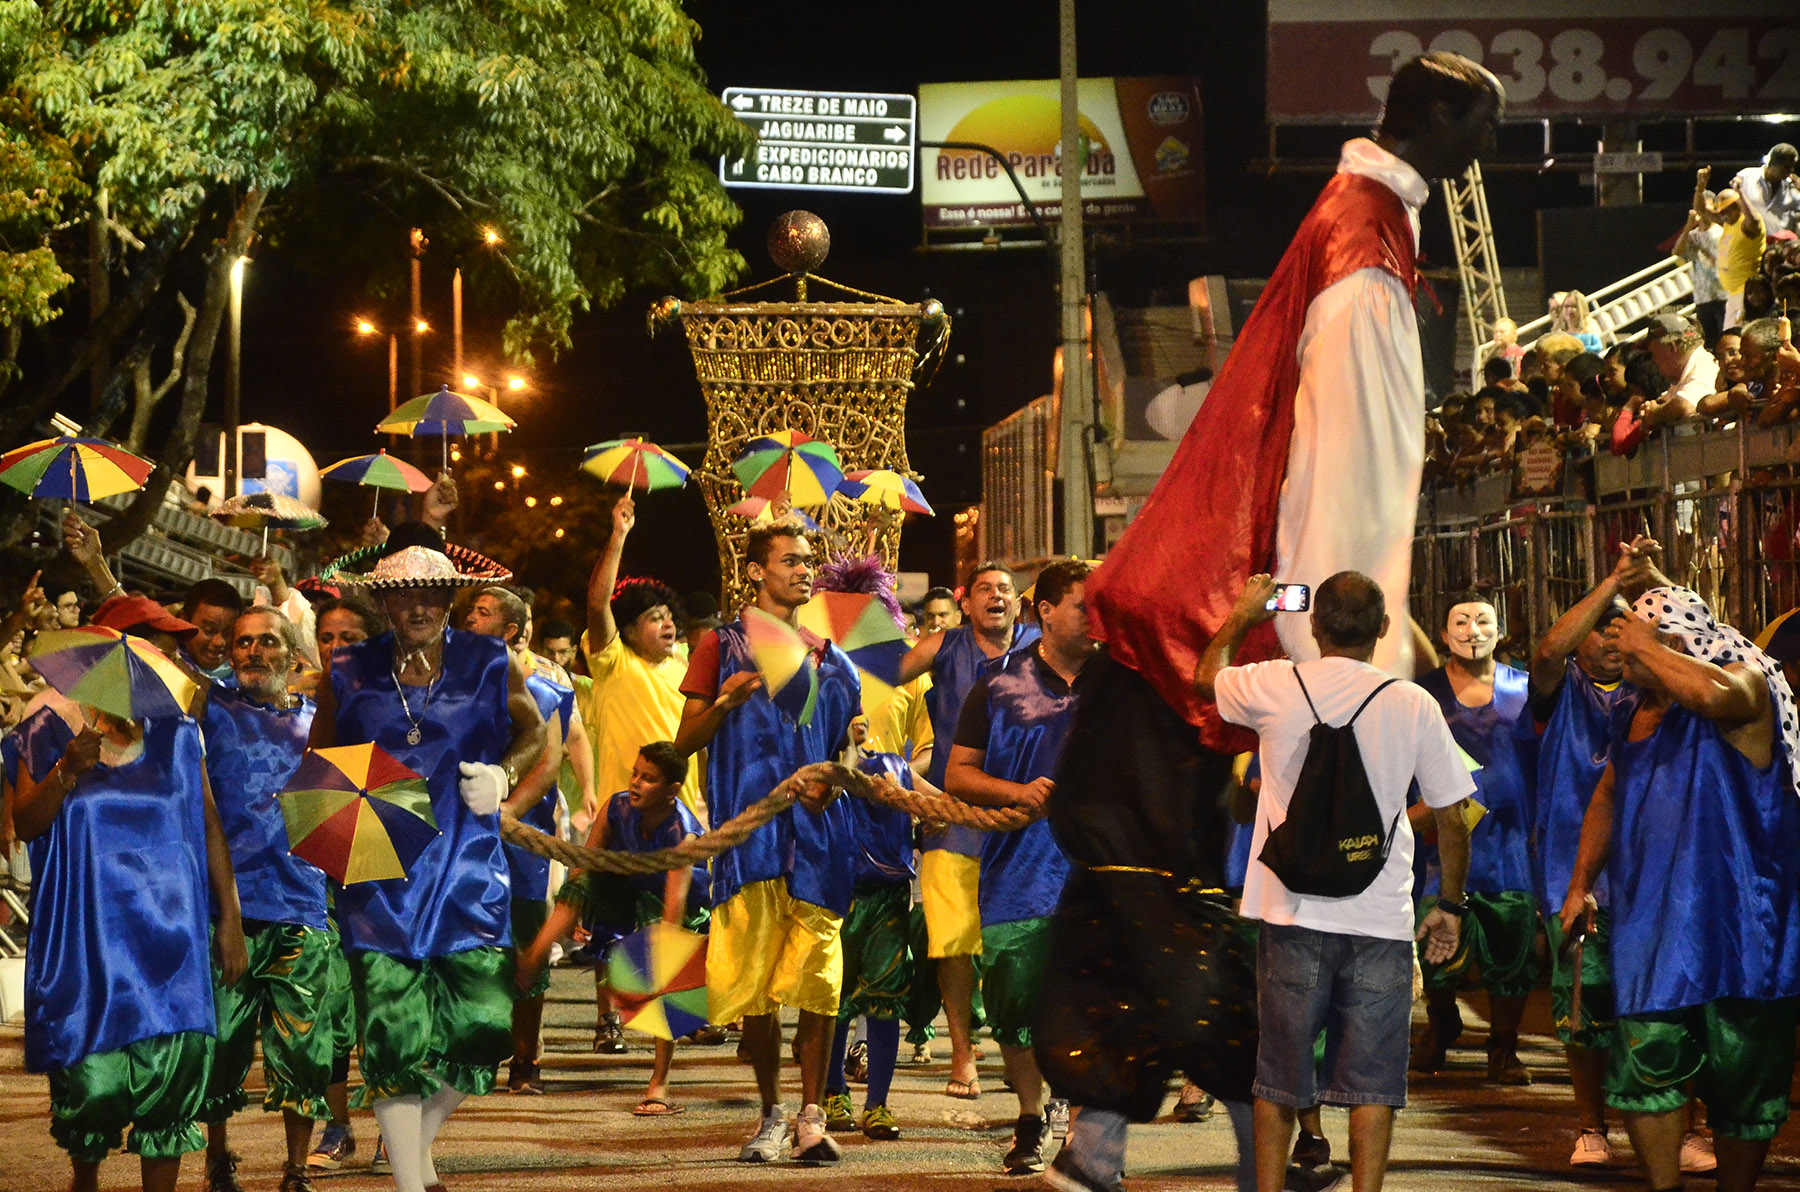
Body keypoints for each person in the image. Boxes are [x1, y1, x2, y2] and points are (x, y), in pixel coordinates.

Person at [1086, 52, 1503, 743]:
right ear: (1438, 116)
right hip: (1334, 682)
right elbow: (1347, 482)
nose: (1491, 146)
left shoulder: (1370, 218)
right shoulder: (1362, 244)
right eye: (1486, 126)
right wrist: (1348, 668)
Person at [1198, 571, 1474, 1192]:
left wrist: (1245, 614)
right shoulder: (1413, 703)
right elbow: (1453, 818)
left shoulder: (1272, 683)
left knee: (1279, 1073)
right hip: (1379, 914)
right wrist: (1449, 905)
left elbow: (1202, 675)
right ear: (1382, 629)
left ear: (1313, 627)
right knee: (1373, 1081)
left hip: (1289, 910)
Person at [310, 544, 546, 1192]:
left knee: (485, 1027)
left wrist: (505, 774)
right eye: (403, 594)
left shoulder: (489, 660)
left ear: (450, 598)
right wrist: (334, 842)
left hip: (468, 867)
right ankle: (412, 1180)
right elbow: (321, 760)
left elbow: (533, 735)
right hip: (380, 872)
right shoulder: (349, 668)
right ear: (383, 600)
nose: (417, 605)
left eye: (432, 592)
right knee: (393, 1034)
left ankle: (414, 1151)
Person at [1562, 584, 1800, 1192]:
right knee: (1646, 1067)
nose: (1625, 662)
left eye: (1637, 649)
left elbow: (1712, 690)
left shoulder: (1747, 685)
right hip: (1651, 926)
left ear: (1677, 643)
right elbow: (1609, 794)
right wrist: (1579, 884)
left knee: (1745, 1082)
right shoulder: (1633, 713)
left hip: (1746, 929)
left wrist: (1648, 643)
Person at [6, 612, 248, 1192]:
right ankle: (83, 1181)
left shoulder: (181, 736)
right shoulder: (47, 729)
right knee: (92, 1090)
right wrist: (68, 769)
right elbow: (26, 824)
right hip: (90, 944)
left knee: (171, 1089)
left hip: (174, 946)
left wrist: (230, 919)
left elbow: (210, 825)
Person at [675, 521, 860, 1165]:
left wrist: (832, 786)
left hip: (816, 841)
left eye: (810, 562)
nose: (805, 571)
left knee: (818, 979)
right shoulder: (718, 646)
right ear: (755, 570)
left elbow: (845, 754)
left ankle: (813, 1115)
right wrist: (723, 704)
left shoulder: (829, 657)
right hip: (748, 841)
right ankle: (771, 1112)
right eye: (790, 561)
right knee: (754, 985)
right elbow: (682, 745)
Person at [944, 560, 1094, 1176]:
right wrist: (1016, 792)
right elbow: (957, 775)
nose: (1093, 619)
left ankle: (1078, 1129)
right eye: (1082, 607)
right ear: (1047, 612)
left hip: (1097, 877)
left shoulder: (1117, 683)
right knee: (1014, 1003)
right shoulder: (996, 685)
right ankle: (1031, 1116)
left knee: (1090, 1006)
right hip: (1017, 878)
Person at [196, 608, 332, 1192]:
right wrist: (100, 571)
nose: (251, 652)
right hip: (228, 910)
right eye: (241, 642)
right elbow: (150, 666)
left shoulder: (322, 723)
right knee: (223, 1044)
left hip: (304, 903)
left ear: (292, 654)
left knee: (303, 1046)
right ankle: (218, 1157)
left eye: (266, 642)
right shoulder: (213, 707)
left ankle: (296, 1168)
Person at [896, 561, 1039, 1100]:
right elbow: (878, 677)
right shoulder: (942, 647)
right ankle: (962, 1052)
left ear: (1019, 605)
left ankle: (1018, 1050)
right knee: (952, 941)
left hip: (1022, 819)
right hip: (951, 814)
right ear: (966, 604)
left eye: (1005, 589)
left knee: (1016, 943)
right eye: (984, 590)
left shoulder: (1039, 646)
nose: (996, 596)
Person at [515, 742, 709, 1116]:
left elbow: (672, 911)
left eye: (648, 779)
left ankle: (660, 1083)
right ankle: (531, 960)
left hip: (674, 898)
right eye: (635, 773)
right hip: (625, 881)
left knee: (665, 966)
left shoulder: (681, 831)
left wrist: (653, 963)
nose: (636, 783)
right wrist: (578, 916)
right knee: (580, 884)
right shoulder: (617, 806)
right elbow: (584, 864)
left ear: (671, 791)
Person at [1527, 548, 1636, 1168]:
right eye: (1601, 627)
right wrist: (1614, 582)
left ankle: (1683, 1125)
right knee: (1582, 998)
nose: (1611, 639)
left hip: (1648, 871)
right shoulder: (1558, 690)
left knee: (1662, 996)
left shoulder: (1657, 691)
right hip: (1573, 874)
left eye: (1622, 627)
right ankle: (1591, 1128)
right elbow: (1547, 649)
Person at [1411, 596, 1540, 1086]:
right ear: (1444, 636)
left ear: (1499, 630)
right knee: (1433, 945)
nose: (1471, 629)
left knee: (1513, 948)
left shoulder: (1523, 689)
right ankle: (1443, 1020)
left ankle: (1503, 1047)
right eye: (1460, 621)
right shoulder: (1421, 693)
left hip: (1508, 842)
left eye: (1483, 620)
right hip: (1439, 841)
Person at [463, 585, 569, 1095]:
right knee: (476, 943)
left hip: (521, 838)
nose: (469, 618)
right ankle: (477, 1051)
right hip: (467, 835)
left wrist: (506, 810)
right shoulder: (453, 682)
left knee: (527, 948)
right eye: (469, 610)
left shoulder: (544, 692)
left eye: (481, 613)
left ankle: (526, 1057)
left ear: (509, 631)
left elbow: (548, 762)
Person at [302, 595, 384, 1173]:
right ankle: (337, 1127)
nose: (335, 649)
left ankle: (392, 1124)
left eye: (349, 638)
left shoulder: (392, 700)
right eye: (327, 637)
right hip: (315, 870)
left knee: (380, 1005)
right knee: (330, 1006)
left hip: (384, 867)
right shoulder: (296, 698)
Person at [821, 725, 923, 1142]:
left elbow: (932, 799)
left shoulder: (892, 767)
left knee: (886, 1000)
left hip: (888, 898)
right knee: (832, 1000)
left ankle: (877, 1104)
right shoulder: (816, 776)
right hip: (835, 895)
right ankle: (832, 1094)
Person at [584, 497, 703, 822]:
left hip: (682, 817)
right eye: (654, 618)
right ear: (629, 631)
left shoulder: (684, 664)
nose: (669, 625)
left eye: (669, 617)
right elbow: (597, 606)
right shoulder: (614, 662)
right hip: (624, 817)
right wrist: (618, 535)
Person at [177, 578, 248, 686]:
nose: (219, 642)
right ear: (184, 621)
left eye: (229, 633)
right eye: (209, 630)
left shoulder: (245, 680)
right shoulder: (157, 663)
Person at [1729, 143, 1799, 237]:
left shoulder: (1793, 187)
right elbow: (1731, 209)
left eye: (1792, 166)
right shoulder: (1746, 177)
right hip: (1750, 243)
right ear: (1773, 163)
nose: (1790, 170)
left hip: (1779, 247)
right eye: (1786, 167)